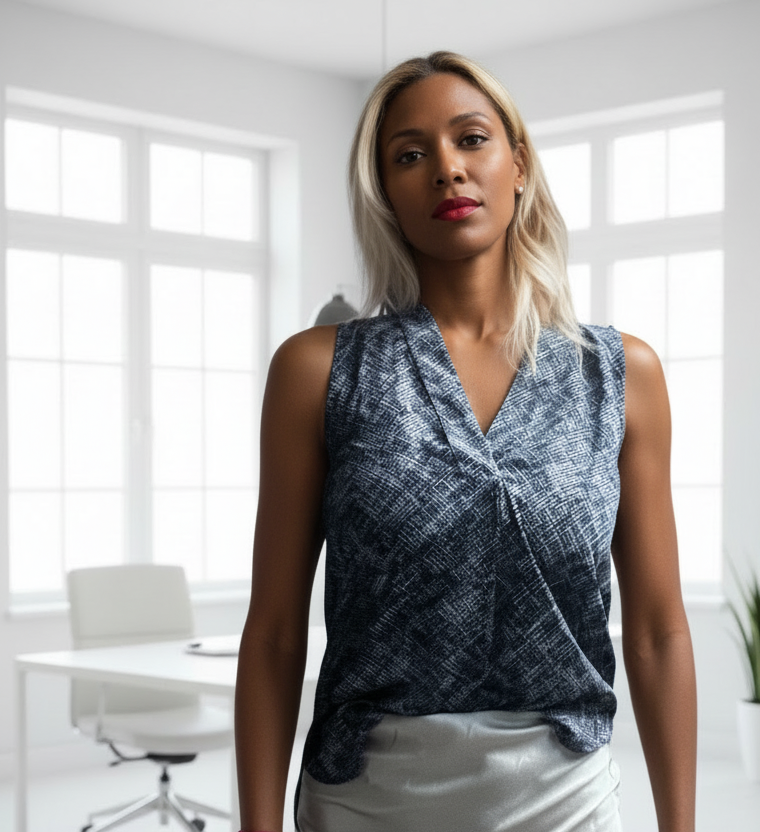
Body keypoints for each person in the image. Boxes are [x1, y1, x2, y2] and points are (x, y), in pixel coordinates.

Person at [235, 51, 697, 832]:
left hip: (564, 803)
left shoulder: (621, 375)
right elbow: (276, 634)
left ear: (519, 164)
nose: (447, 168)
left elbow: (658, 633)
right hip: (364, 804)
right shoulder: (318, 371)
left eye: (471, 139)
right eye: (410, 155)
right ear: (385, 192)